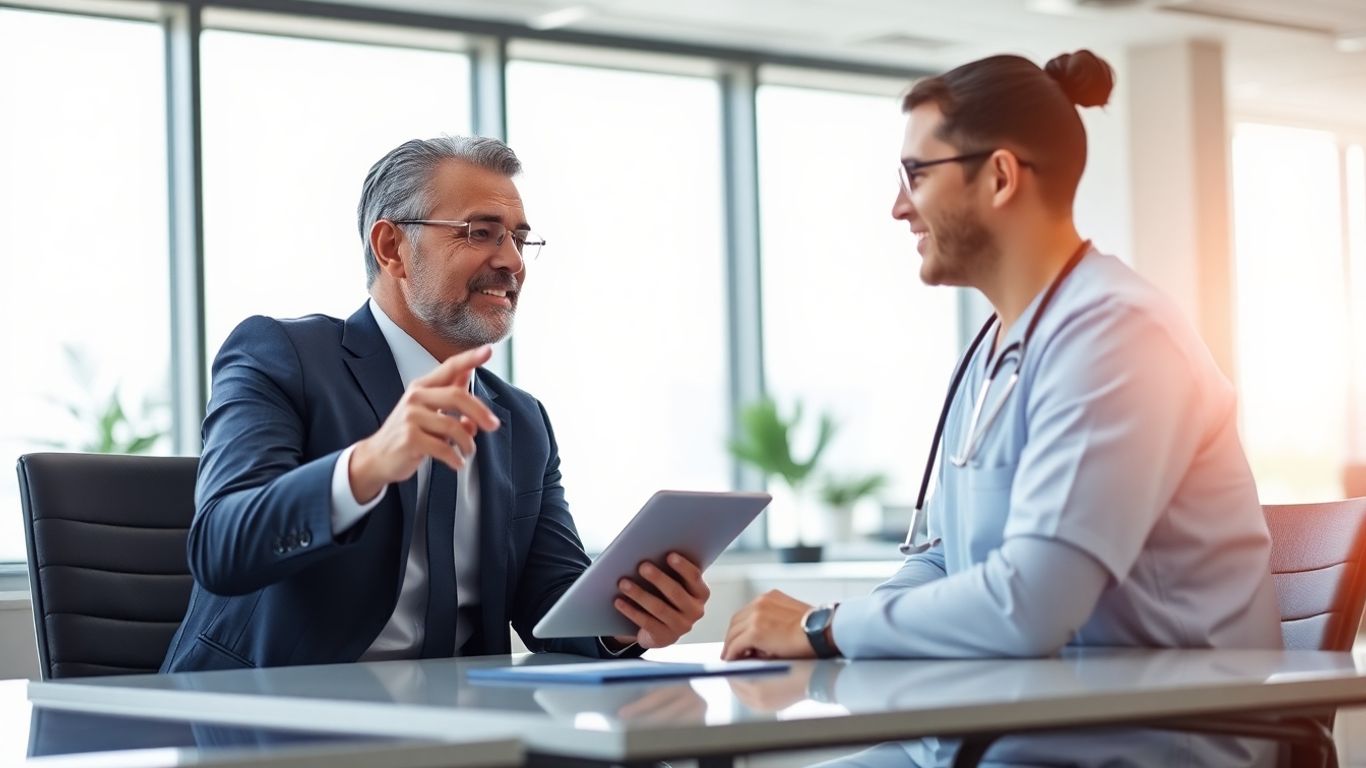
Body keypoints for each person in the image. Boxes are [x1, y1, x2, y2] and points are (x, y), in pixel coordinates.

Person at [722, 50, 1282, 663]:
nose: (898, 206)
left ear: (1000, 177)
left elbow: (1032, 603)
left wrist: (822, 627)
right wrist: (828, 635)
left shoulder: (1119, 336)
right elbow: (943, 556)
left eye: (916, 174)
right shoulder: (995, 351)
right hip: (1002, 724)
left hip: (1144, 741)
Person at [163, 136, 709, 672]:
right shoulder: (284, 357)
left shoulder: (521, 421)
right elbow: (221, 546)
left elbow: (553, 607)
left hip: (458, 726)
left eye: (520, 238)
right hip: (272, 724)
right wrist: (367, 465)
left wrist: (625, 618)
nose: (512, 261)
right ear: (391, 247)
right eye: (481, 233)